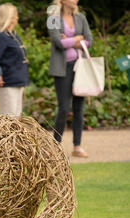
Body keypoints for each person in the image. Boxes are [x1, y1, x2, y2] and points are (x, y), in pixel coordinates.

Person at [48, 0, 92, 158]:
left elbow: (89, 40)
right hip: (62, 69)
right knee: (64, 108)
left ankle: (77, 146)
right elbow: (57, 42)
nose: (76, 0)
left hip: (79, 67)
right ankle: (55, 145)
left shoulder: (81, 17)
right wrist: (76, 39)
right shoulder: (52, 16)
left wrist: (69, 40)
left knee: (79, 108)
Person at [0, 3, 29, 116]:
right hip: (7, 82)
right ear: (8, 17)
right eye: (15, 15)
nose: (17, 18)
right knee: (9, 117)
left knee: (16, 118)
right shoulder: (0, 36)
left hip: (17, 81)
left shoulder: (13, 35)